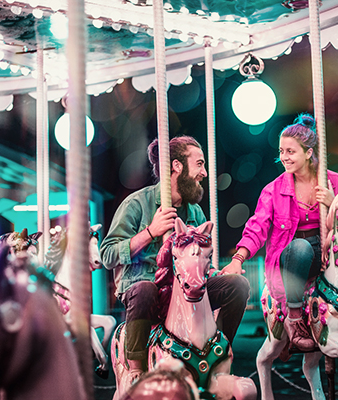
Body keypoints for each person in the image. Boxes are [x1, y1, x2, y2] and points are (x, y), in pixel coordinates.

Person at [221, 113, 338, 352]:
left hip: (331, 250)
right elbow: (257, 226)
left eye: (290, 151)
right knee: (301, 248)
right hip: (294, 257)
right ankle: (295, 317)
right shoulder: (274, 190)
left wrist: (333, 203)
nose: (283, 157)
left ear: (308, 153)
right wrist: (238, 259)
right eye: (281, 151)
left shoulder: (336, 182)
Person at [100, 135, 251, 386]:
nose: (204, 172)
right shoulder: (137, 203)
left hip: (185, 290)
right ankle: (135, 371)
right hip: (146, 286)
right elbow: (107, 254)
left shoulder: (195, 212)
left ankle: (218, 353)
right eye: (199, 164)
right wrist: (150, 232)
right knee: (145, 290)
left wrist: (214, 273)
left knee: (237, 286)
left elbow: (200, 263)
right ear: (177, 166)